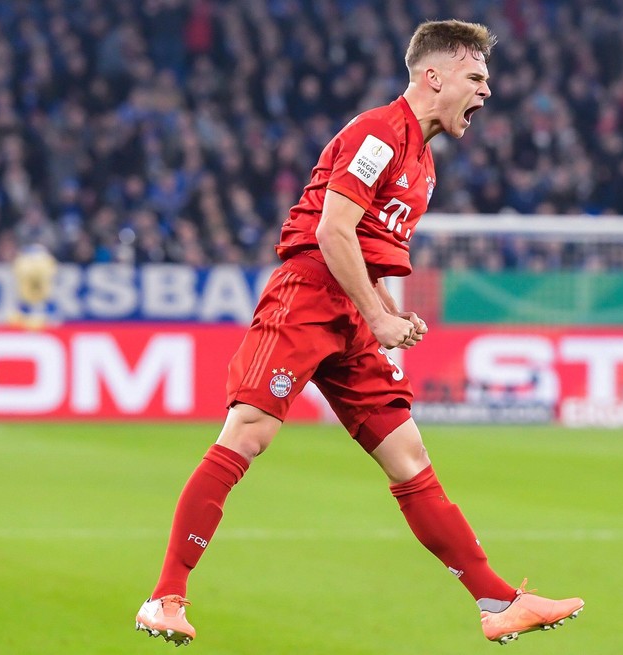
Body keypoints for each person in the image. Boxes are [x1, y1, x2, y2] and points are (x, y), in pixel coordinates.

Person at [134, 19, 584, 647]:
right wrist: (378, 315)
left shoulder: (424, 162)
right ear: (434, 76)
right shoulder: (378, 133)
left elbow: (365, 250)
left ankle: (496, 601)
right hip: (306, 298)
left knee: (409, 459)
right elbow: (331, 232)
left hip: (351, 311)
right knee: (249, 433)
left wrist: (384, 309)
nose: (486, 92)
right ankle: (165, 597)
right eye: (476, 77)